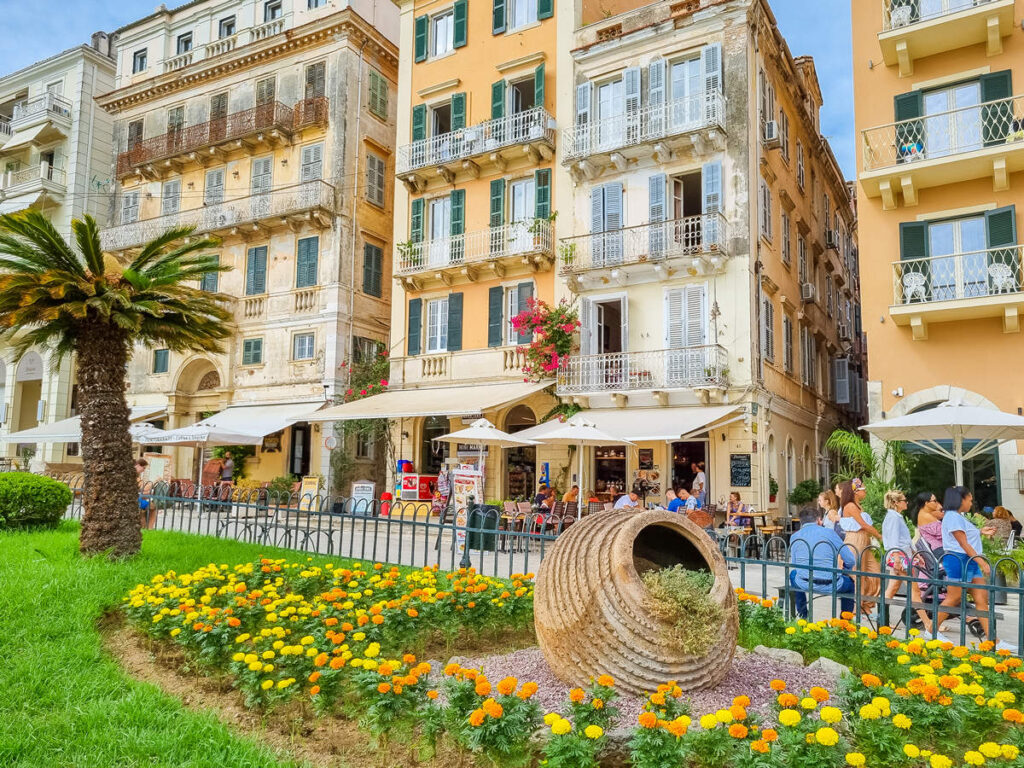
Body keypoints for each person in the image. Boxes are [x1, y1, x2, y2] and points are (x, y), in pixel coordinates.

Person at [937, 486, 995, 640]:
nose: (971, 503)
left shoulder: (957, 516)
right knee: (954, 598)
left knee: (981, 598)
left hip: (968, 560)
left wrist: (981, 531)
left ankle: (993, 640)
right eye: (969, 500)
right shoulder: (952, 517)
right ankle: (931, 630)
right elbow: (963, 543)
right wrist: (982, 562)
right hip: (959, 560)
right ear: (960, 499)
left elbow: (966, 536)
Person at [788, 505, 856, 619]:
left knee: (793, 575)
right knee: (849, 584)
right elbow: (850, 560)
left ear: (801, 522)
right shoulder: (830, 533)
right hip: (832, 583)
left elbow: (794, 564)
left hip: (804, 582)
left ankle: (803, 615)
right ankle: (845, 621)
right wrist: (845, 569)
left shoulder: (794, 536)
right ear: (819, 519)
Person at [882, 490, 933, 634]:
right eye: (904, 500)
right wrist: (898, 558)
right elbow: (894, 539)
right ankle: (927, 623)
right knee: (914, 590)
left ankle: (883, 620)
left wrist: (915, 553)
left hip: (900, 556)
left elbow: (903, 539)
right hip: (900, 557)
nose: (907, 502)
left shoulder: (895, 517)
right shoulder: (894, 518)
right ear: (896, 503)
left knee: (891, 589)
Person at [838, 478, 882, 616]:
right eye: (863, 489)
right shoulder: (850, 506)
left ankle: (865, 603)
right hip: (855, 540)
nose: (866, 491)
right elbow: (863, 524)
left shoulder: (858, 506)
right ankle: (856, 607)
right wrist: (881, 537)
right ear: (855, 491)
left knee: (875, 572)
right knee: (858, 575)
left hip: (864, 541)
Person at [136, 458, 157, 529]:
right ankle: (149, 528)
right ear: (138, 465)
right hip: (135, 500)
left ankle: (146, 528)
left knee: (147, 507)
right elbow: (143, 488)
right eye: (143, 468)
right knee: (152, 507)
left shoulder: (136, 475)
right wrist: (155, 481)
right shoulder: (135, 476)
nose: (143, 470)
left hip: (136, 498)